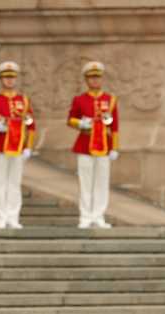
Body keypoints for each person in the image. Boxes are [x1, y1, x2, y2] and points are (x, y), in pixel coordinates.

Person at [0, 61, 36, 230]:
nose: (9, 80)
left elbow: (31, 125)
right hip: (1, 146)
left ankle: (13, 217)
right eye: (6, 77)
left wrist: (28, 147)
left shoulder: (23, 101)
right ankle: (1, 217)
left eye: (12, 77)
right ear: (1, 79)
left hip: (18, 147)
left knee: (15, 183)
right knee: (1, 182)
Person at [67, 61, 118, 229]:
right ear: (86, 80)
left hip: (104, 146)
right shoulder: (80, 100)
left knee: (102, 183)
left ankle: (99, 216)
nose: (95, 80)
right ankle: (86, 216)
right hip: (85, 145)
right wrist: (81, 123)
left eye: (97, 77)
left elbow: (115, 126)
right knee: (86, 183)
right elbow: (70, 119)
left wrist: (115, 147)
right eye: (91, 77)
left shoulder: (109, 100)